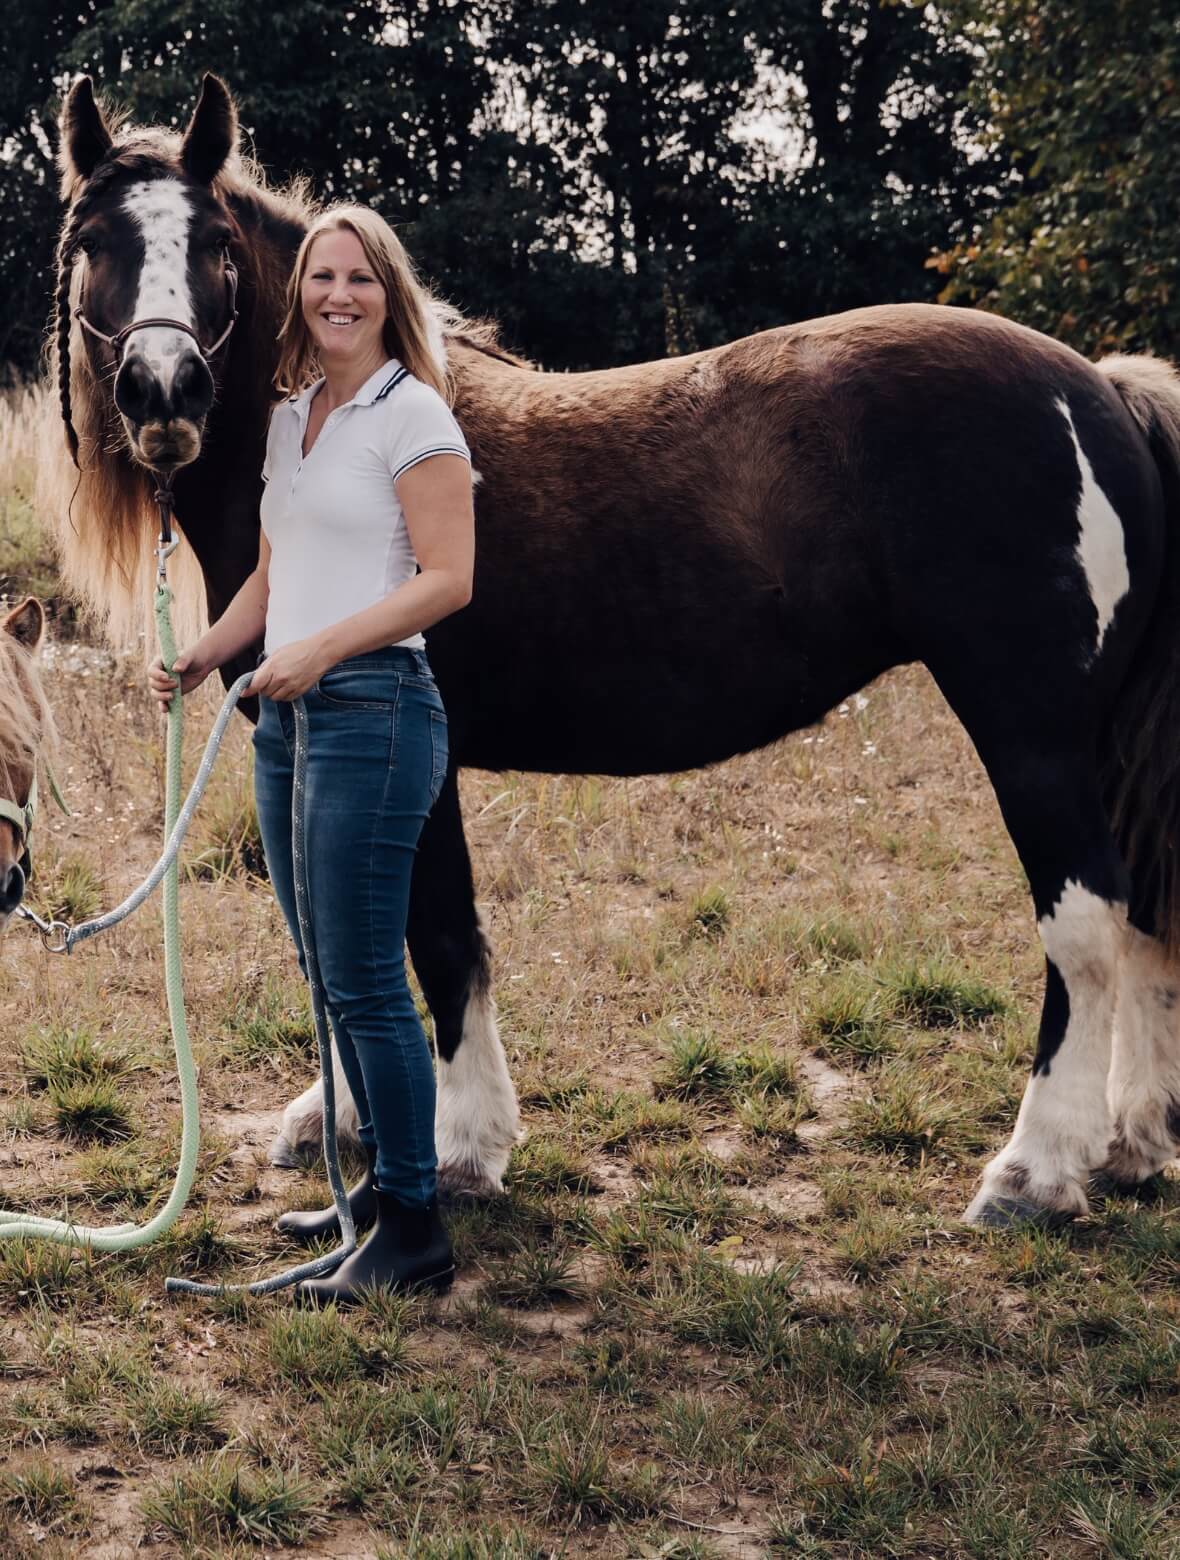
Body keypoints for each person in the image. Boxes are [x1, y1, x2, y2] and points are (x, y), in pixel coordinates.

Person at [149, 206, 474, 1306]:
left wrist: (322, 651)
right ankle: (377, 1196)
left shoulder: (413, 414)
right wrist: (209, 652)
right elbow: (269, 578)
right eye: (323, 279)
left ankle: (414, 1227)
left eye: (361, 279)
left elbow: (446, 579)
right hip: (288, 724)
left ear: (390, 294)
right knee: (328, 973)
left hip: (375, 712)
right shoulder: (296, 422)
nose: (339, 295)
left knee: (372, 982)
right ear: (302, 298)